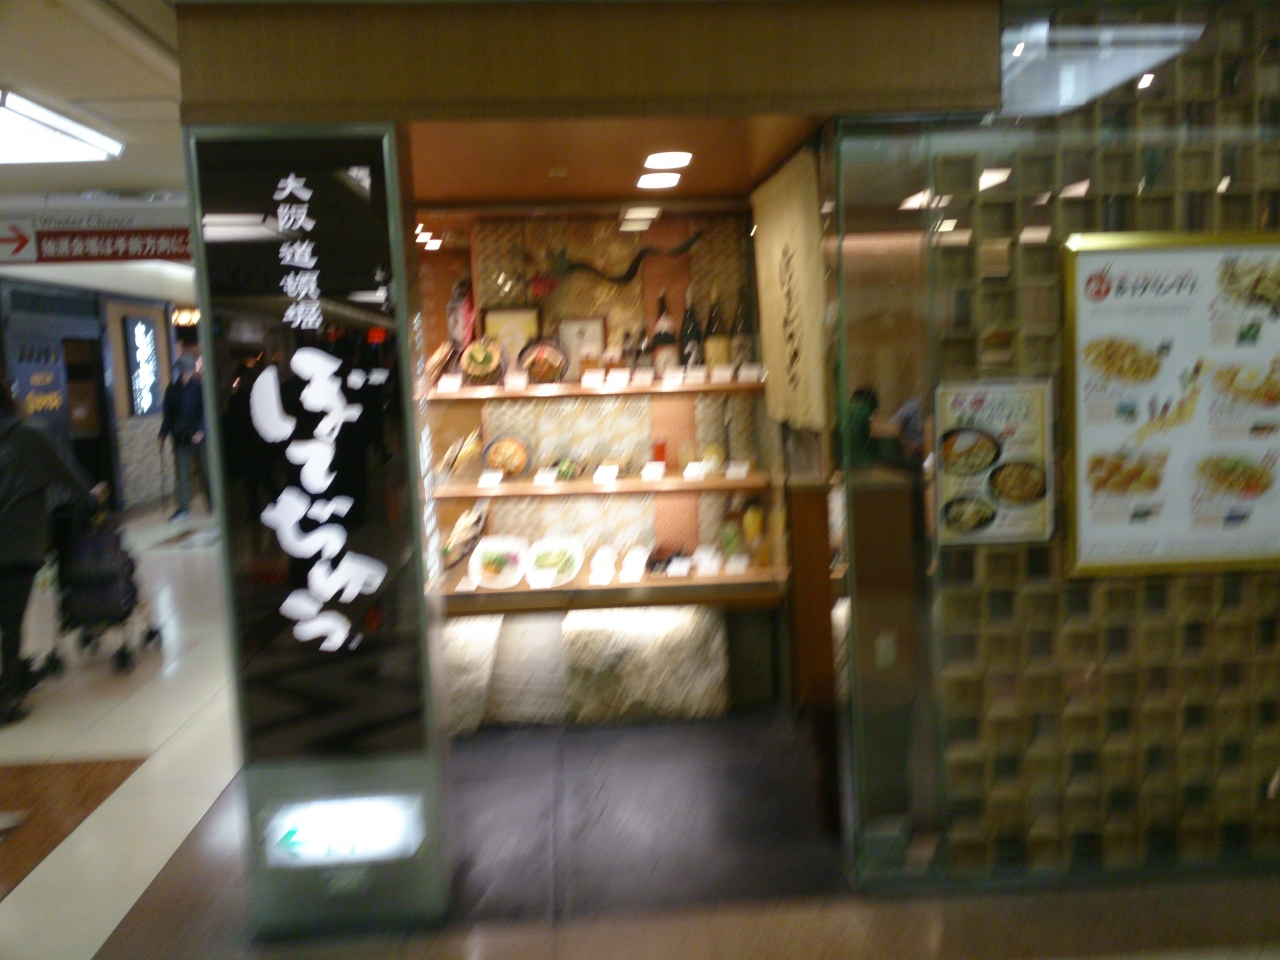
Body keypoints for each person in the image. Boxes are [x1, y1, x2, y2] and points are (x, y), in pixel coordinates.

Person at [0, 380, 104, 723]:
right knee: (10, 621)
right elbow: (68, 477)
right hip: (17, 545)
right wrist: (92, 497)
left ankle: (14, 674)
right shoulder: (28, 436)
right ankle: (6, 698)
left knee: (7, 618)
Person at [160, 352, 206, 521]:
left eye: (188, 370)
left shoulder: (199, 389)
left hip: (197, 436)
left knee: (205, 472)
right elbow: (168, 415)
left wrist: (200, 430)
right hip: (180, 436)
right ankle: (184, 508)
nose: (186, 373)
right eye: (183, 371)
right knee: (182, 473)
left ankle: (214, 505)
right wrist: (163, 433)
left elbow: (204, 412)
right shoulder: (172, 390)